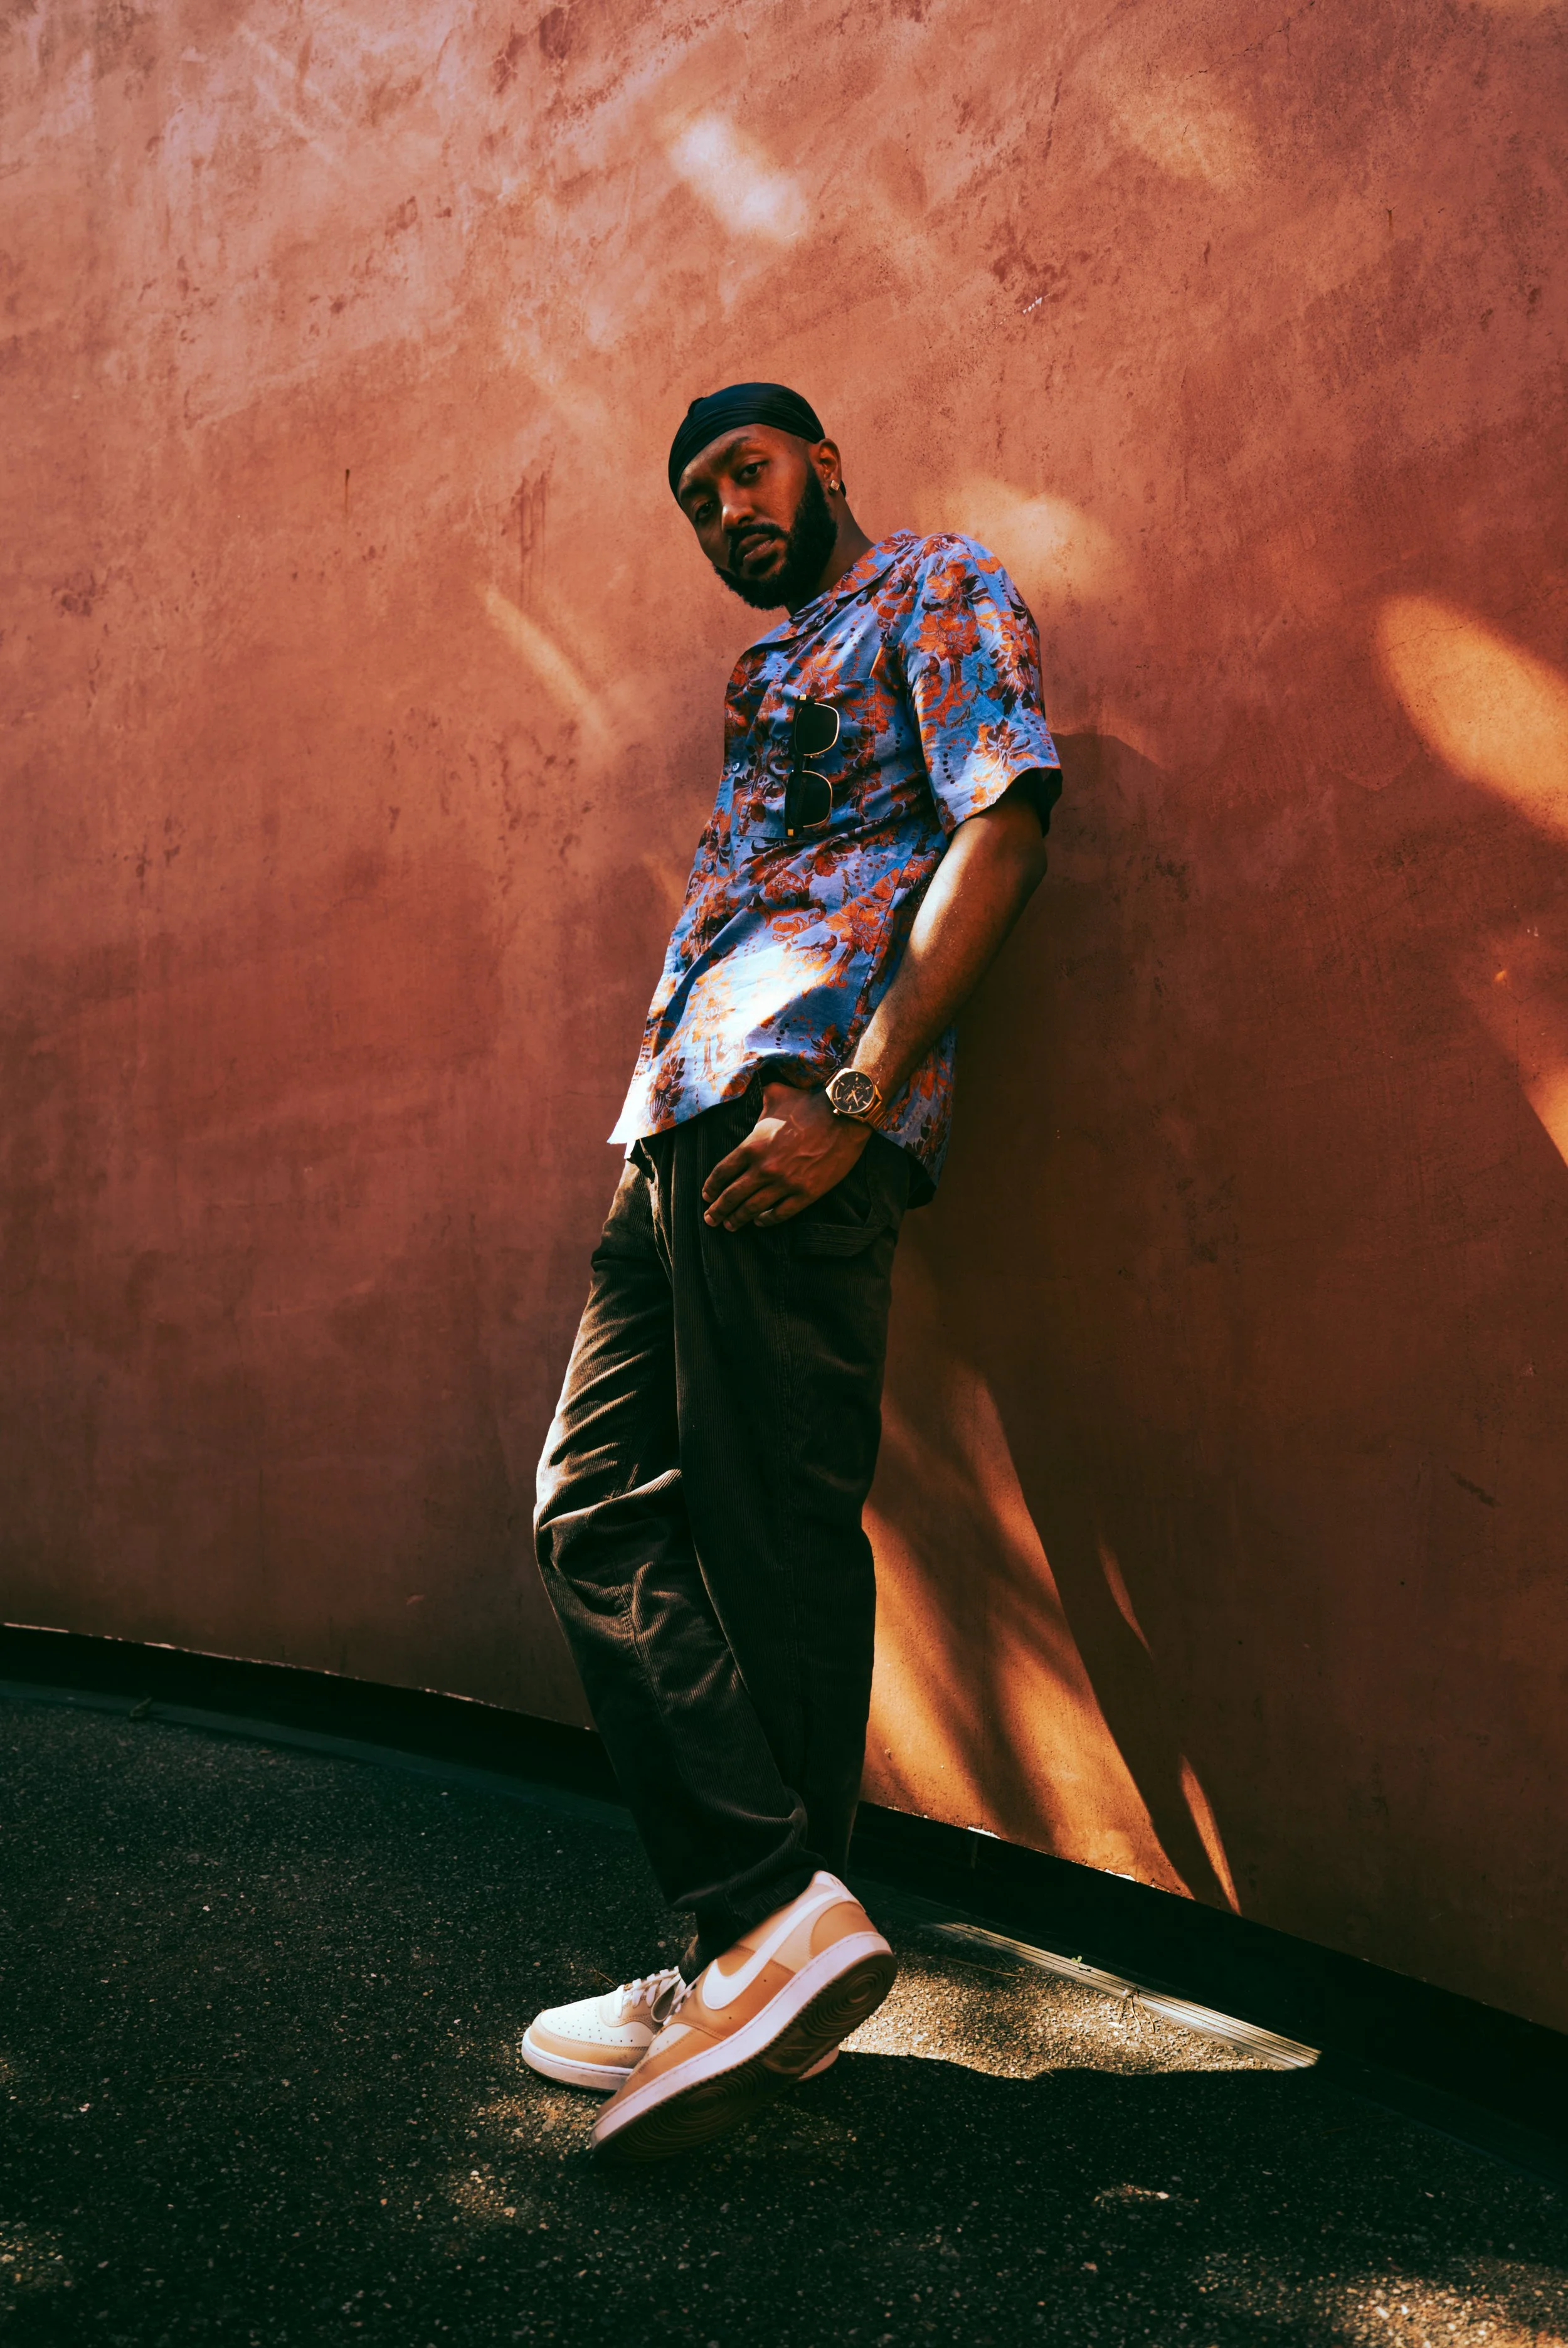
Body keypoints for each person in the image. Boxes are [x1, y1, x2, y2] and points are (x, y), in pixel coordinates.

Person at [523, 383, 1061, 2164]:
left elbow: (1001, 824)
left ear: (822, 460)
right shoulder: (765, 672)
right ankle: (767, 1933)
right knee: (590, 1505)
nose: (724, 513)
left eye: (742, 474)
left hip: (799, 1104)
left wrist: (857, 1091)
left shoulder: (934, 584)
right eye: (696, 500)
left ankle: (752, 1946)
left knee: (769, 1527)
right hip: (677, 1121)